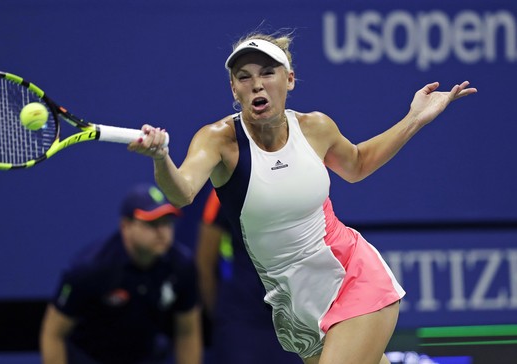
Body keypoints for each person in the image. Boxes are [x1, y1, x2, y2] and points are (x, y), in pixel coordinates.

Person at [128, 31, 477, 364]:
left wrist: (415, 117)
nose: (257, 84)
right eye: (244, 77)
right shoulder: (218, 139)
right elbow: (183, 192)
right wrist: (162, 159)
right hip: (293, 303)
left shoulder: (315, 128)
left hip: (350, 277)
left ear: (289, 79)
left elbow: (358, 164)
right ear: (234, 89)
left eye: (268, 72)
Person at [39, 183, 202, 364]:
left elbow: (187, 332)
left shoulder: (182, 266)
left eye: (167, 223)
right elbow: (53, 334)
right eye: (152, 223)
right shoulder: (90, 269)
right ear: (126, 226)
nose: (162, 232)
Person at [196, 188, 302, 363]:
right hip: (241, 321)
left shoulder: (303, 180)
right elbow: (204, 261)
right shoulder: (223, 188)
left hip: (294, 320)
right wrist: (222, 315)